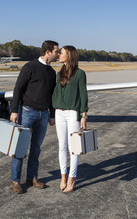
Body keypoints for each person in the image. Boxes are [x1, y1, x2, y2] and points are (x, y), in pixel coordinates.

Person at [10, 40, 59, 194]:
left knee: (36, 148)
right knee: (20, 148)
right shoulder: (30, 67)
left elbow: (52, 95)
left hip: (43, 115)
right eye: (56, 51)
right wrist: (14, 111)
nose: (58, 54)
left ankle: (32, 178)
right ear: (48, 52)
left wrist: (52, 115)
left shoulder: (51, 72)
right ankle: (16, 180)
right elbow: (18, 89)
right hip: (27, 112)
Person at [52, 45, 88, 193]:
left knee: (73, 148)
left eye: (61, 53)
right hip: (59, 113)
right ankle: (63, 177)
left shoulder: (80, 74)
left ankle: (72, 179)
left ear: (69, 55)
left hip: (73, 113)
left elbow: (83, 96)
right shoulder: (58, 73)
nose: (59, 55)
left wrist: (84, 116)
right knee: (62, 146)